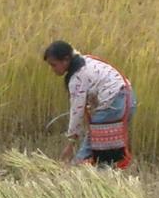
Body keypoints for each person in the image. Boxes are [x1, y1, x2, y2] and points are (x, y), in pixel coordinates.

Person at [43, 40, 137, 169]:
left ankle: (73, 174)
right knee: (104, 151)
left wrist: (70, 144)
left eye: (54, 65)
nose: (52, 69)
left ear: (65, 60)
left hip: (114, 104)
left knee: (90, 150)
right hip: (128, 99)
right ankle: (102, 179)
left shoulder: (77, 78)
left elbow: (77, 112)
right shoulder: (86, 60)